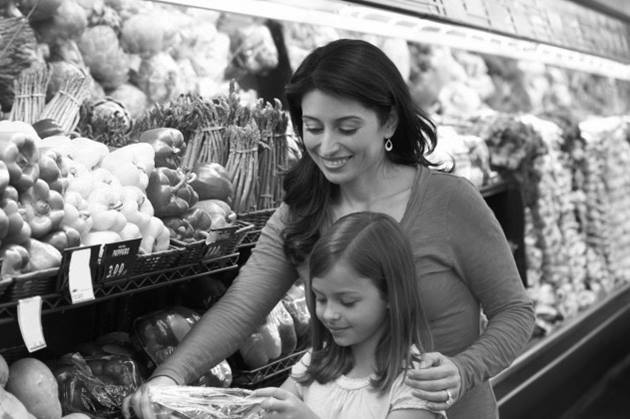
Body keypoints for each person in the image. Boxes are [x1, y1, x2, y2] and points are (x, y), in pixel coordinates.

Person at [123, 38, 535, 419]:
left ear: (389, 121)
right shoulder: (302, 211)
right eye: (313, 127)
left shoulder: (451, 201)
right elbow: (242, 306)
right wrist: (171, 377)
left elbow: (515, 313)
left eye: (347, 128)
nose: (327, 146)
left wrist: (464, 370)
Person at [251, 211, 443, 419]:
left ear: (390, 294)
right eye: (321, 298)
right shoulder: (315, 363)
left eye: (347, 302)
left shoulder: (417, 385)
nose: (329, 314)